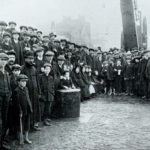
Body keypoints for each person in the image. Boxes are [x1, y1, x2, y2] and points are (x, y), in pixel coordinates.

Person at [21, 51, 41, 131]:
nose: (31, 60)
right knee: (28, 109)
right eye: (29, 59)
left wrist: (39, 91)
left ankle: (33, 125)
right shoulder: (22, 69)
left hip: (35, 92)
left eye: (32, 59)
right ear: (25, 59)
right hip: (27, 93)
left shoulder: (34, 69)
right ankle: (27, 127)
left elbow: (37, 81)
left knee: (35, 108)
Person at [12, 74, 33, 144]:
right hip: (21, 111)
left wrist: (30, 107)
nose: (24, 83)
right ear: (18, 82)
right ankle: (20, 138)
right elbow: (17, 103)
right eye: (22, 81)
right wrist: (20, 111)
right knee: (20, 125)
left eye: (25, 81)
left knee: (27, 124)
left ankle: (26, 138)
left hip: (27, 109)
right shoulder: (16, 91)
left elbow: (28, 99)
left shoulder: (26, 89)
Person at [0, 52, 11, 149]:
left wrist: (9, 96)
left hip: (6, 99)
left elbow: (9, 88)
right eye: (1, 60)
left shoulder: (7, 73)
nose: (3, 62)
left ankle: (2, 140)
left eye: (5, 60)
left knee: (5, 119)